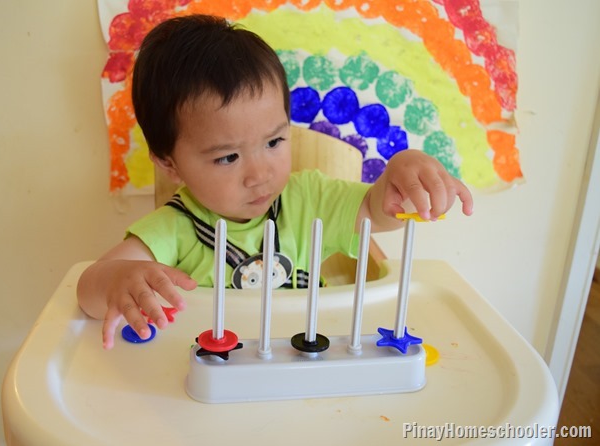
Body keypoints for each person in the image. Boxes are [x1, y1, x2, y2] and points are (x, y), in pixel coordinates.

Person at [77, 14, 473, 349]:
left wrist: (402, 173)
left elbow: (376, 210)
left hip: (303, 363)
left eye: (274, 142)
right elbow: (87, 290)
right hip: (218, 375)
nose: (260, 175)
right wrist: (116, 280)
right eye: (228, 157)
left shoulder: (311, 199)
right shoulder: (174, 228)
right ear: (170, 164)